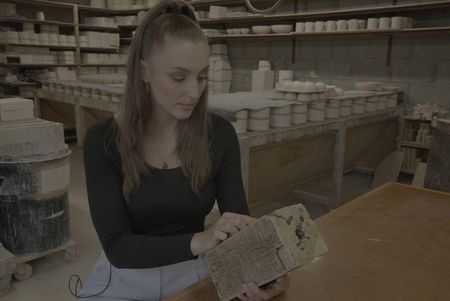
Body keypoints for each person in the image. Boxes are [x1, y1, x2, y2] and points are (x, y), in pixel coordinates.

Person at [77, 1, 289, 300]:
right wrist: (200, 240)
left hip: (195, 269)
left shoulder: (219, 135)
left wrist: (260, 272)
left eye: (202, 77)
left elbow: (236, 220)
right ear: (144, 71)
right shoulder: (104, 141)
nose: (194, 92)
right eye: (179, 78)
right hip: (127, 276)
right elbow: (117, 247)